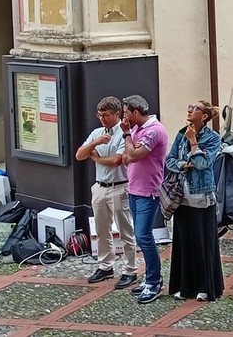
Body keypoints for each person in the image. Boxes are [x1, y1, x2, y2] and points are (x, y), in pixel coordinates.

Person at [73, 96, 139, 288]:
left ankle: (130, 269)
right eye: (100, 115)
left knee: (125, 230)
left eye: (106, 115)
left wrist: (95, 158)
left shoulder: (124, 133)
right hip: (100, 186)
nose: (102, 118)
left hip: (119, 186)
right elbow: (79, 155)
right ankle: (105, 266)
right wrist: (94, 144)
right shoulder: (97, 133)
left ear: (116, 114)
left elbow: (116, 161)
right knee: (102, 230)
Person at [165, 101, 225, 302]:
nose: (190, 110)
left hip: (202, 197)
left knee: (201, 242)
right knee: (184, 241)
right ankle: (185, 287)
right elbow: (170, 160)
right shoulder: (181, 133)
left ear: (204, 116)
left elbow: (202, 163)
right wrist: (183, 164)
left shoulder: (213, 137)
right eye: (189, 107)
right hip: (181, 196)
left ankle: (204, 287)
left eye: (195, 108)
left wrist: (193, 142)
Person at [118, 95, 170, 304]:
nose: (124, 118)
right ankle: (150, 278)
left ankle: (154, 281)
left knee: (144, 237)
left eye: (126, 113)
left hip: (148, 192)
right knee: (141, 236)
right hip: (134, 189)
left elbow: (133, 156)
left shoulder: (154, 131)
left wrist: (126, 136)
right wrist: (130, 146)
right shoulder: (137, 129)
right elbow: (126, 156)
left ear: (136, 112)